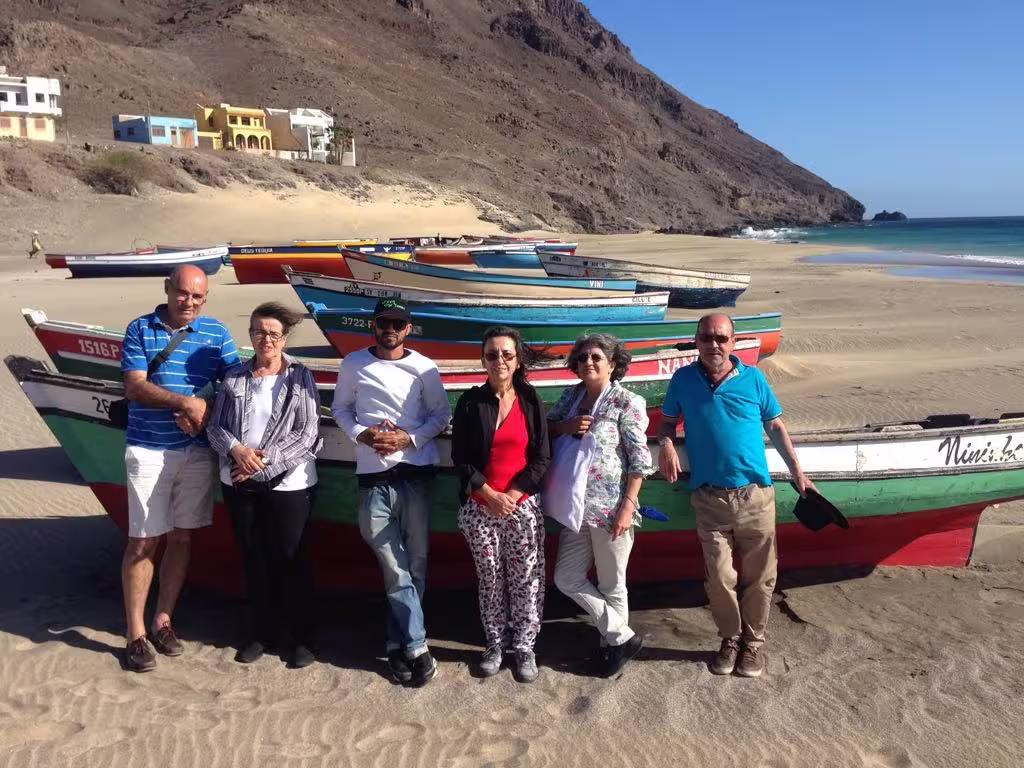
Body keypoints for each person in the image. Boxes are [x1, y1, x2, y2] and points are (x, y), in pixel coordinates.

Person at [658, 313, 816, 679]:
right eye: (706, 338)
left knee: (761, 577)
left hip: (755, 497)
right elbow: (667, 421)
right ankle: (730, 639)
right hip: (709, 499)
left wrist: (798, 473)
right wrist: (666, 443)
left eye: (721, 338)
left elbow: (775, 425)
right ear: (696, 341)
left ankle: (754, 644)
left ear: (733, 342)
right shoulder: (682, 380)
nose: (714, 345)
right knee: (718, 577)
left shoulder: (754, 379)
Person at [119, 265, 239, 672]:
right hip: (149, 450)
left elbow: (234, 382)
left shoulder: (217, 333)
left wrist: (203, 406)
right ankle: (135, 634)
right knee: (143, 541)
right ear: (168, 289)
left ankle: (163, 620)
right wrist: (183, 403)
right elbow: (134, 385)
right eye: (183, 294)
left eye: (198, 297)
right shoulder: (140, 329)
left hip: (197, 452)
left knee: (182, 538)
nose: (189, 302)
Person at [331, 298, 451, 687]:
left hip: (415, 473)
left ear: (408, 329)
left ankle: (396, 644)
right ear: (374, 326)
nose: (390, 329)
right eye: (384, 322)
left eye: (398, 324)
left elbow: (440, 416)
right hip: (373, 476)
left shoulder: (424, 367)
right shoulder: (353, 364)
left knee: (414, 565)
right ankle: (418, 644)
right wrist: (364, 435)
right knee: (392, 564)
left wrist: (408, 437)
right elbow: (341, 410)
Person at [207, 302, 322, 669]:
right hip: (238, 480)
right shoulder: (234, 377)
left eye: (273, 333)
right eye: (259, 331)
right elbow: (215, 427)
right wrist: (238, 450)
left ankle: (301, 637)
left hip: (289, 484)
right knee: (254, 559)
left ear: (284, 337)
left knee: (291, 559)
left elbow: (308, 434)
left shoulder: (300, 376)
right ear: (251, 334)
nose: (265, 339)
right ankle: (260, 633)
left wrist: (263, 461)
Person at [548, 333, 653, 677]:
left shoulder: (627, 401)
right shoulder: (571, 396)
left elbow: (639, 460)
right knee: (566, 577)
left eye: (596, 357)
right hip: (574, 507)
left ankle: (612, 650)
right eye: (581, 358)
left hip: (611, 511)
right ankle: (622, 637)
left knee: (612, 584)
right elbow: (545, 430)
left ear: (612, 364)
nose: (588, 363)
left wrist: (628, 505)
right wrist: (567, 426)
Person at [451, 327, 550, 683]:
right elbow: (459, 457)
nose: (499, 361)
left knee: (527, 577)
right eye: (492, 354)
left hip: (520, 505)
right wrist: (488, 494)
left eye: (507, 354)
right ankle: (495, 643)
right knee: (490, 578)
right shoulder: (470, 402)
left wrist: (512, 494)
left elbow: (541, 457)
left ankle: (524, 646)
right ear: (483, 360)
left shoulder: (530, 401)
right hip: (480, 506)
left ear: (517, 359)